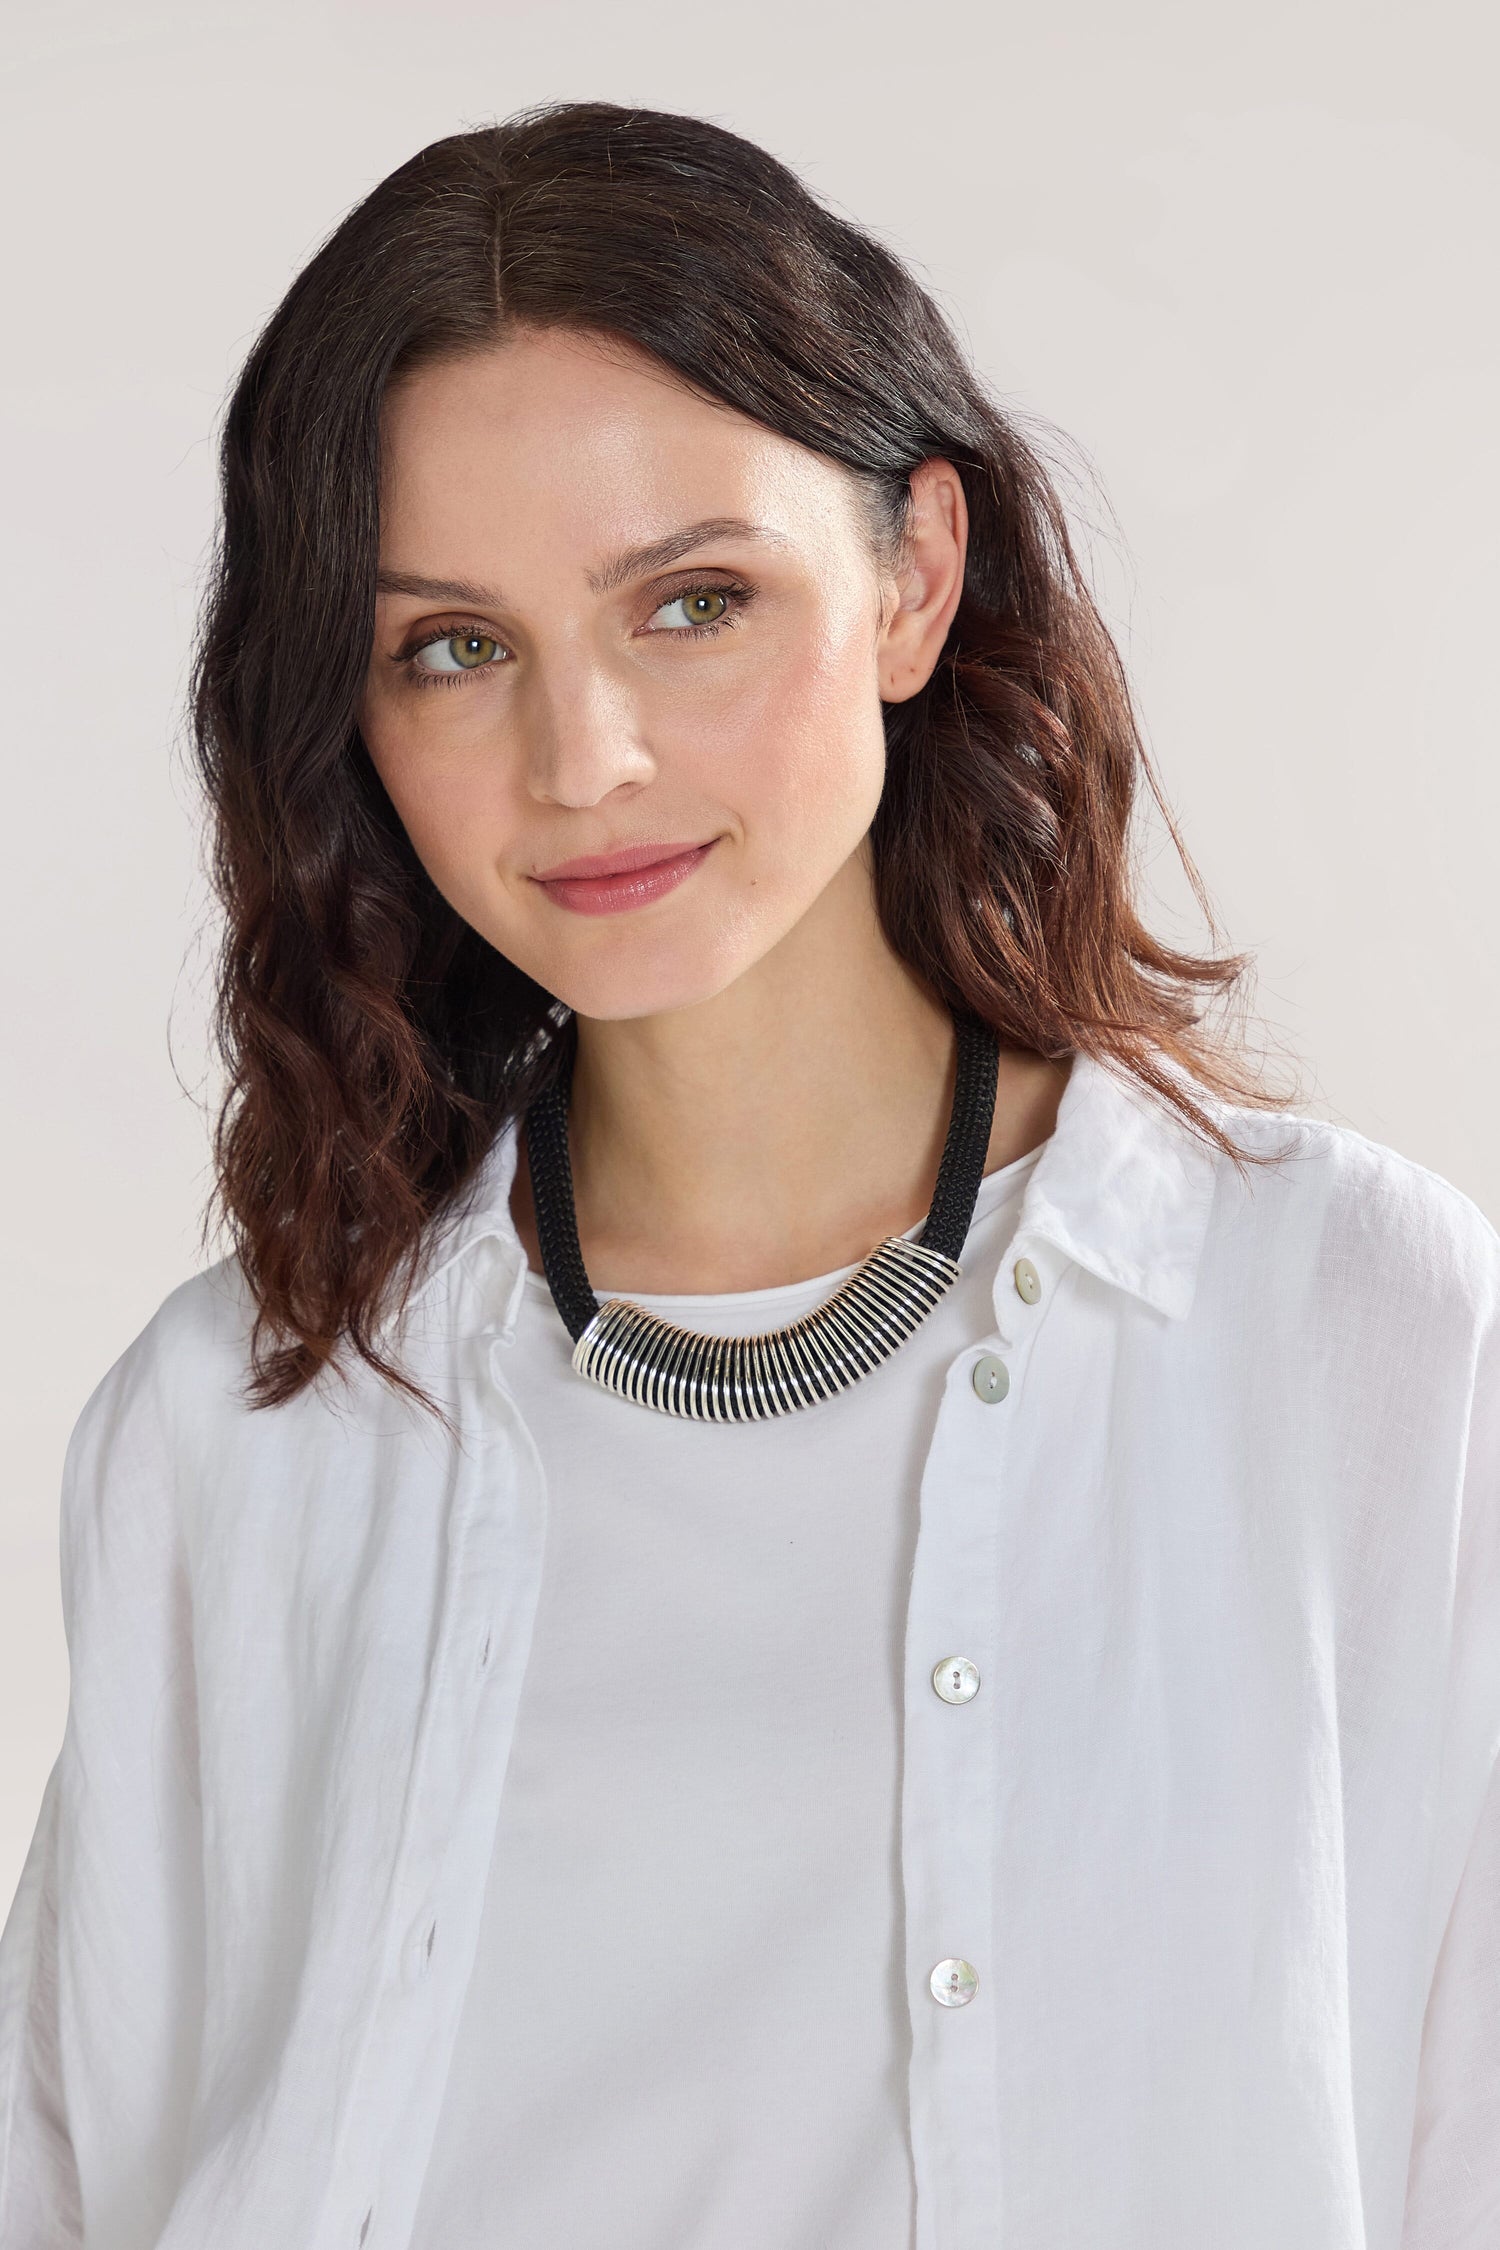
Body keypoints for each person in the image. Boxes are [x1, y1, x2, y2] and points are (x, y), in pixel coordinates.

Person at [0, 98, 1495, 2250]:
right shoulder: (241, 1421)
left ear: (914, 576)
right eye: (454, 645)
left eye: (691, 603)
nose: (581, 756)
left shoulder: (1346, 1325)